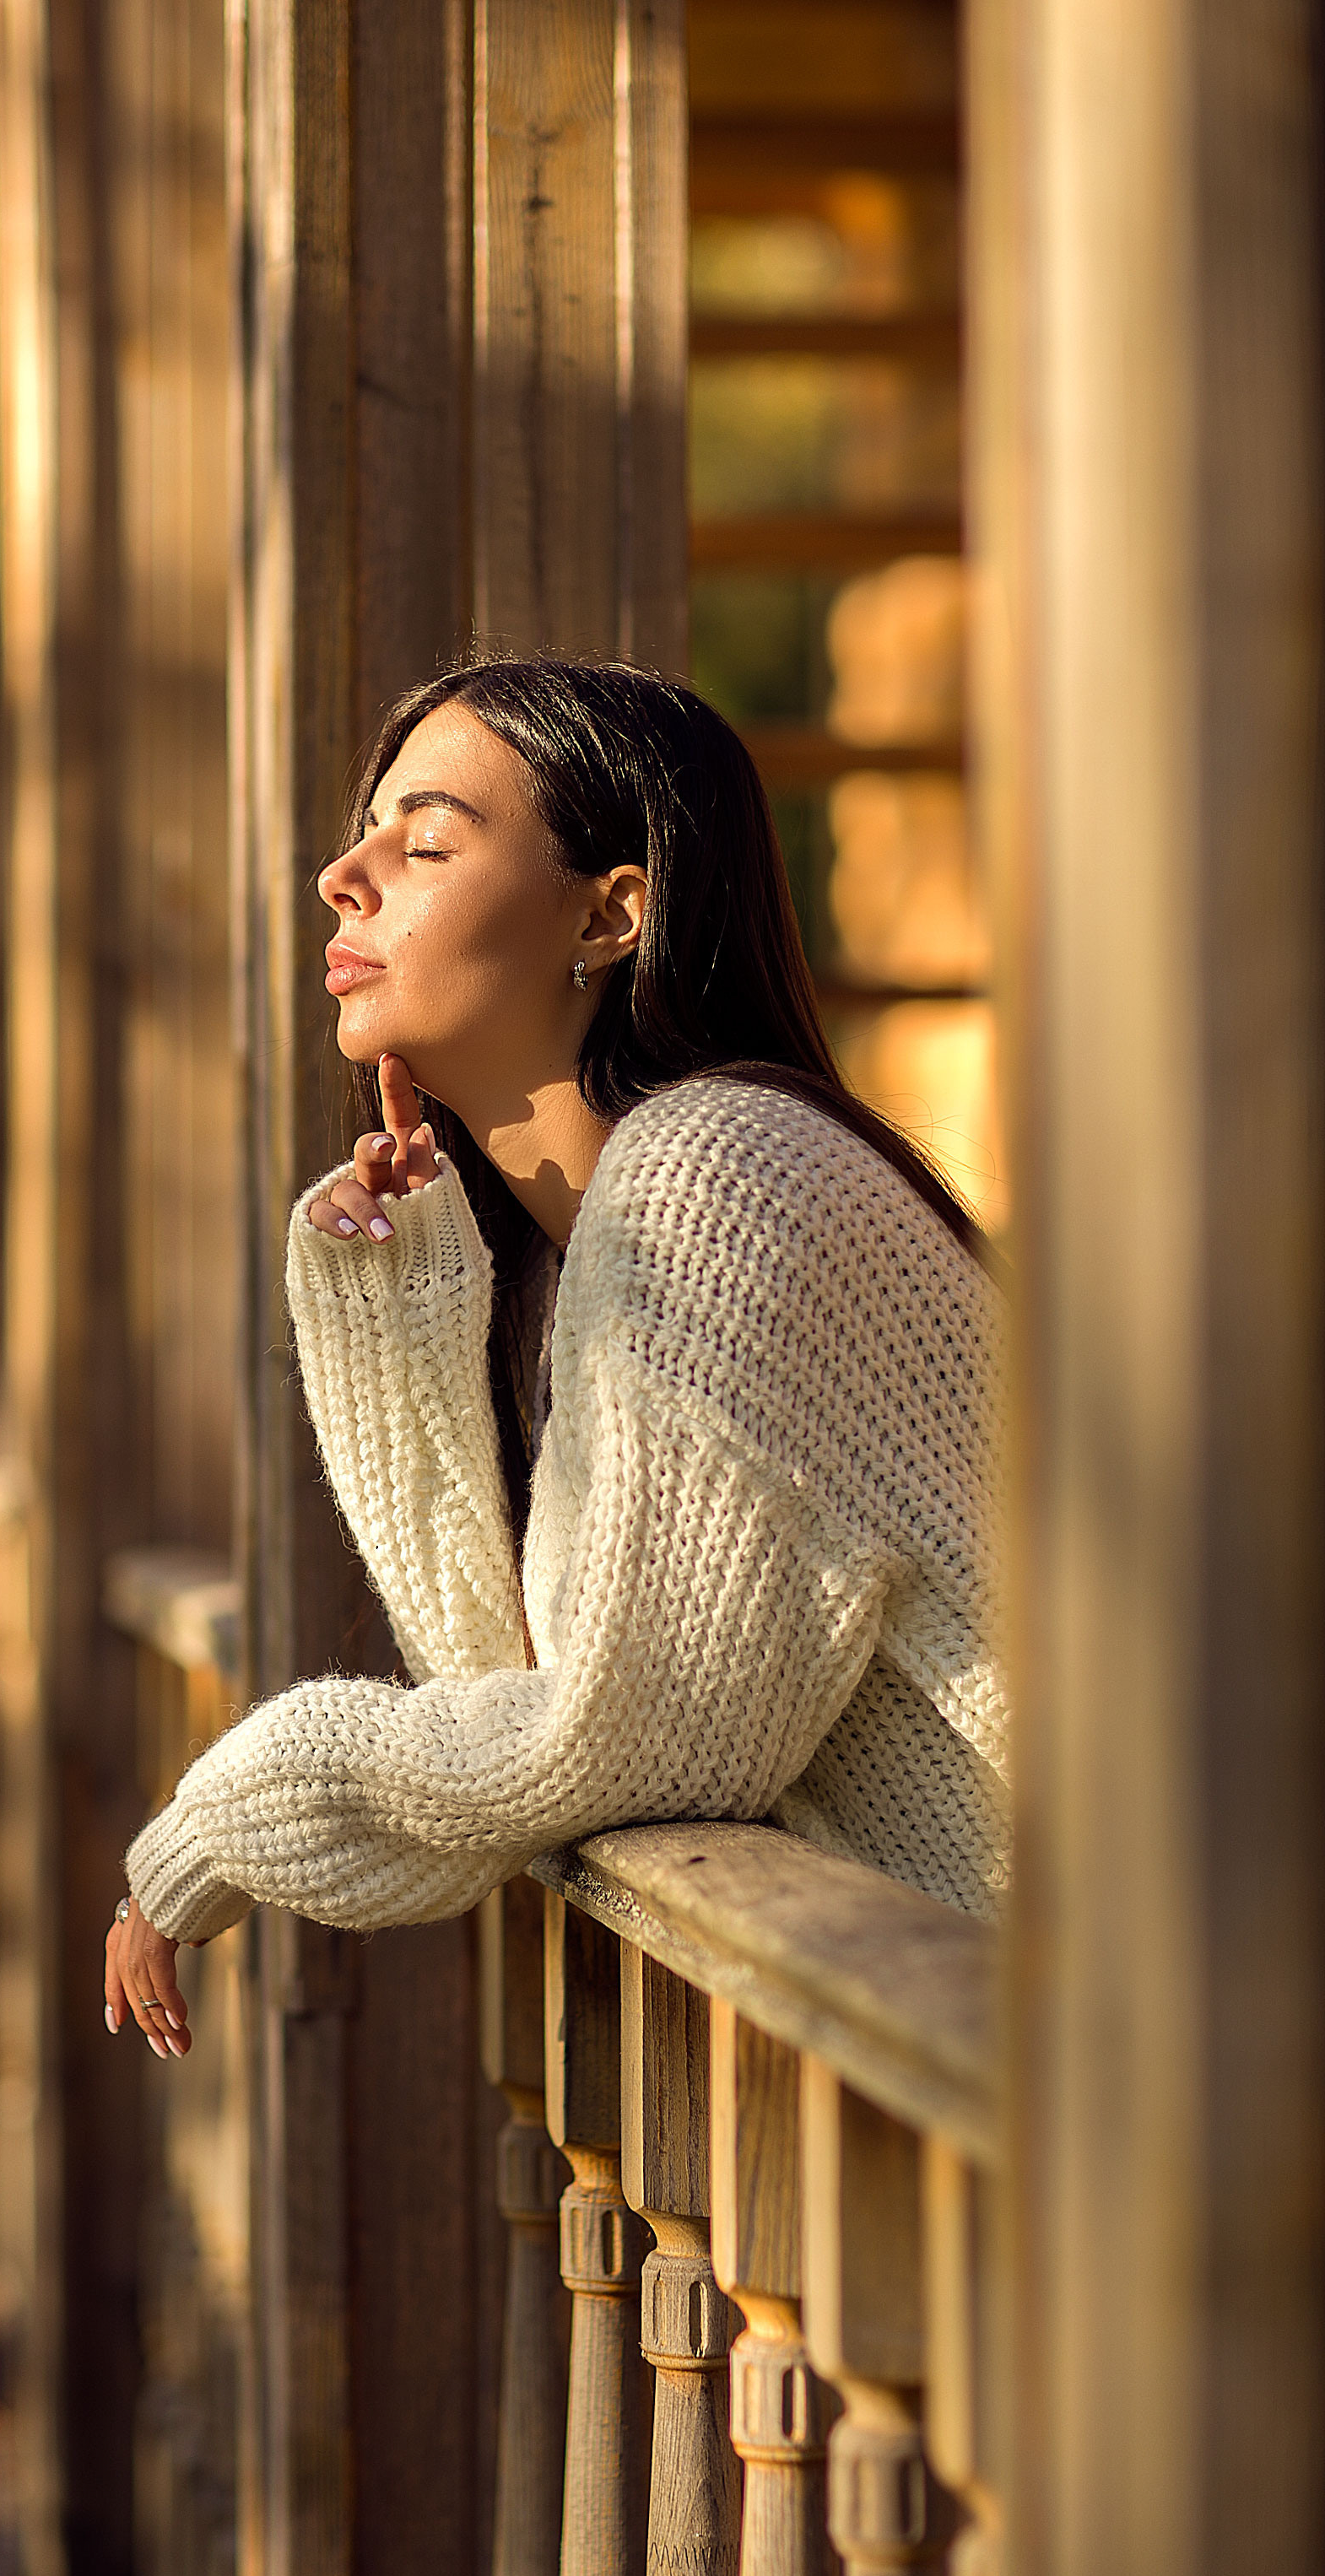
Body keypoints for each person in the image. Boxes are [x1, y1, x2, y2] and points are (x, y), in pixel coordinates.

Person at [105, 657, 1006, 2060]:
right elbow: (505, 1668)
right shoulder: (590, 1244)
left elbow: (616, 1740)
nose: (344, 876)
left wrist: (227, 1817)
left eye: (427, 841)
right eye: (362, 838)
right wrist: (397, 1323)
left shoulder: (722, 1177)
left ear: (612, 913)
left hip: (1143, 2040)